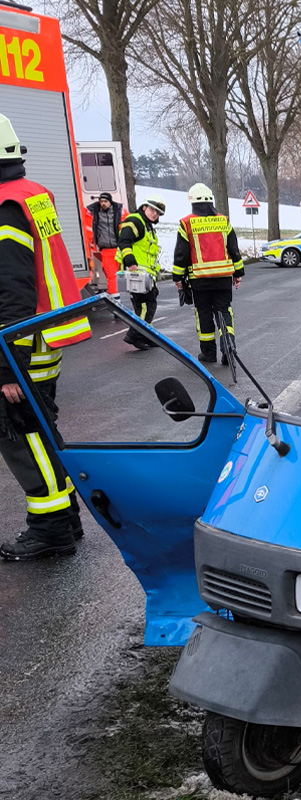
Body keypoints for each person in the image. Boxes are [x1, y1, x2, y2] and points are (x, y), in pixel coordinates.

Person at [0, 113, 91, 560]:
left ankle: (51, 528)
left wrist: (6, 367)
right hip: (41, 338)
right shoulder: (32, 194)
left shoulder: (4, 207)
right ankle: (66, 520)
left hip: (18, 344)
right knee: (40, 429)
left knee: (22, 434)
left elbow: (11, 289)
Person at [173, 183, 243, 364]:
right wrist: (238, 273)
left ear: (192, 203)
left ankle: (209, 353)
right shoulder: (223, 221)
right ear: (211, 200)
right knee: (224, 311)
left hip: (199, 280)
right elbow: (233, 248)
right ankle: (229, 348)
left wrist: (178, 278)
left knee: (203, 314)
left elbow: (181, 254)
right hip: (223, 279)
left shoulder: (186, 223)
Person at [118, 194, 168, 350]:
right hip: (136, 272)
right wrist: (130, 262)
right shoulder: (135, 221)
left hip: (144, 274)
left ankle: (148, 335)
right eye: (153, 210)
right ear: (144, 207)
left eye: (158, 213)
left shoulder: (146, 225)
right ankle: (134, 336)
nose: (155, 214)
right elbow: (124, 241)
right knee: (146, 306)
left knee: (147, 304)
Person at [85, 191, 123, 307]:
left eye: (105, 201)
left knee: (120, 276)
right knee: (112, 276)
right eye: (101, 201)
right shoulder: (92, 212)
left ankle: (117, 301)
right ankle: (116, 302)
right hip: (106, 249)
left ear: (110, 202)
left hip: (119, 248)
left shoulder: (120, 211)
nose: (103, 204)